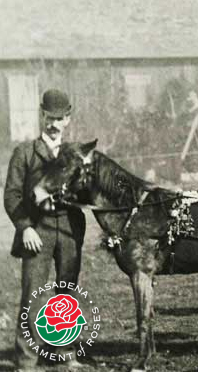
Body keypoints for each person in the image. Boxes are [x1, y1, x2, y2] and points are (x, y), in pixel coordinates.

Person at [4, 89, 86, 370]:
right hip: (37, 231)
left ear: (68, 119)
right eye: (49, 117)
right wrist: (25, 227)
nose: (53, 124)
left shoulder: (75, 154)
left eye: (59, 118)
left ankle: (65, 352)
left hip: (70, 230)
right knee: (33, 295)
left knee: (67, 293)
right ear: (42, 115)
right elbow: (12, 195)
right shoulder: (25, 152)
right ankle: (26, 360)